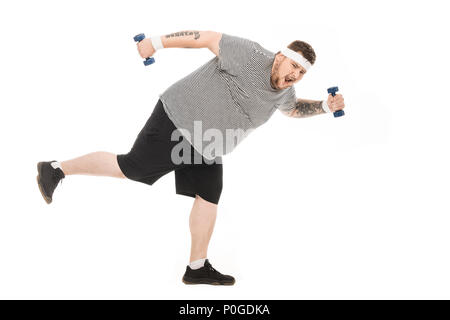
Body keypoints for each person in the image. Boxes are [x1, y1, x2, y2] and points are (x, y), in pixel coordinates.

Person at [36, 30, 345, 286]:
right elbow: (205, 37)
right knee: (130, 168)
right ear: (280, 57)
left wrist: (325, 107)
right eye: (292, 65)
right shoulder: (251, 55)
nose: (295, 74)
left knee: (209, 196)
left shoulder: (285, 94)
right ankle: (56, 169)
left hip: (209, 145)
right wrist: (155, 43)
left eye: (302, 72)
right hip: (179, 121)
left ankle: (196, 267)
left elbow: (291, 110)